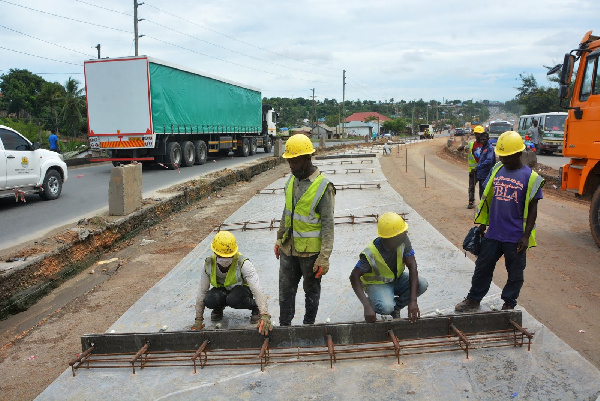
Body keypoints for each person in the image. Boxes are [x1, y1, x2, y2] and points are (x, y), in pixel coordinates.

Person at [455, 131, 544, 312]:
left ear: (518, 154)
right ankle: (473, 299)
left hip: (515, 236)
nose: (503, 160)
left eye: (507, 157)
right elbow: (488, 198)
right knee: (482, 267)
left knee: (515, 274)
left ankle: (509, 303)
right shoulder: (497, 169)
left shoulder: (531, 177)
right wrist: (482, 224)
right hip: (494, 233)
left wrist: (526, 236)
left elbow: (533, 209)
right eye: (501, 156)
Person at [274, 134, 335, 326]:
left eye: (295, 161)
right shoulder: (292, 181)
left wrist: (324, 257)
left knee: (311, 292)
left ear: (308, 158)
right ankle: (285, 326)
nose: (291, 165)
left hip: (310, 254)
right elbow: (287, 212)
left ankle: (308, 326)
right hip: (288, 248)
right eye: (289, 161)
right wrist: (279, 238)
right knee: (285, 291)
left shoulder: (323, 187)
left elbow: (328, 224)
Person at [349, 212, 428, 322]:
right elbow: (354, 276)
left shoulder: (403, 241)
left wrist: (413, 301)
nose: (406, 233)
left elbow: (412, 265)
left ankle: (395, 309)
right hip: (377, 284)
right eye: (402, 233)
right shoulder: (371, 252)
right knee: (386, 307)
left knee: (422, 284)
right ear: (391, 238)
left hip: (396, 279)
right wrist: (367, 306)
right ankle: (373, 302)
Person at [193, 231, 273, 335]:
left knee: (233, 299)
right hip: (223, 291)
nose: (225, 259)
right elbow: (202, 291)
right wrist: (198, 320)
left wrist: (264, 314)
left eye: (228, 256)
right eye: (222, 256)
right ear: (215, 253)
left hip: (241, 291)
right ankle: (219, 306)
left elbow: (257, 289)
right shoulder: (209, 264)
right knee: (209, 299)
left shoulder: (243, 263)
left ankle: (255, 307)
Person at [460, 125, 484, 209]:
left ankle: (481, 203)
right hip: (474, 170)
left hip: (481, 170)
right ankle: (471, 202)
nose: (478, 135)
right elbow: (462, 148)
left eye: (479, 134)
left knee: (482, 187)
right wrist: (463, 147)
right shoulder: (471, 144)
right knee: (472, 187)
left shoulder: (485, 144)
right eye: (477, 134)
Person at [475, 131, 495, 199]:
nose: (482, 141)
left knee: (485, 194)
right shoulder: (483, 148)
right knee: (481, 193)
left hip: (487, 175)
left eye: (484, 139)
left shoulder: (490, 148)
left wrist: (478, 167)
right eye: (481, 140)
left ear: (488, 139)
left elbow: (489, 161)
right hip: (481, 175)